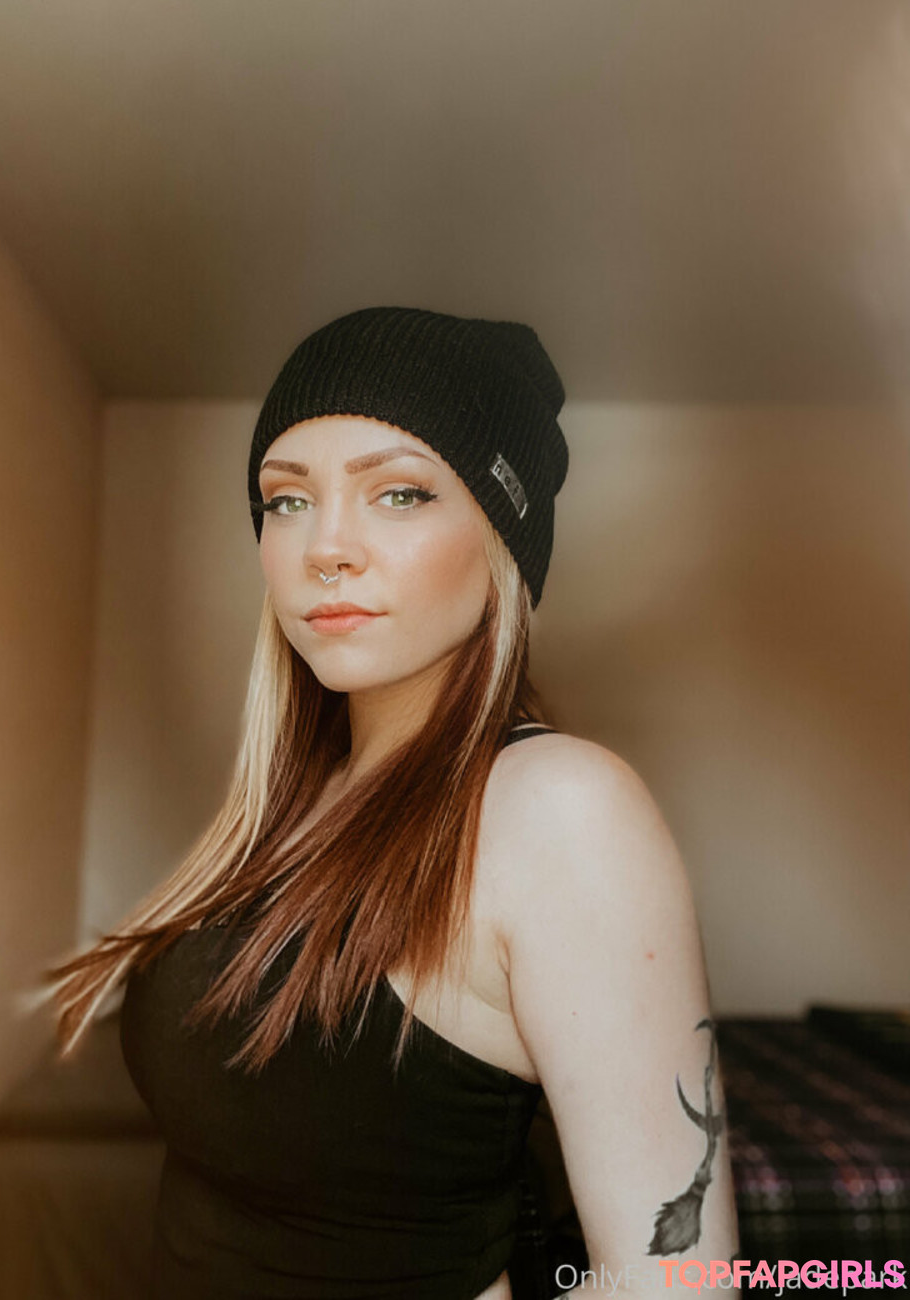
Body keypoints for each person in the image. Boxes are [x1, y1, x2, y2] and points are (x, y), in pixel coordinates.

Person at [39, 307, 740, 1299]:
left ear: (501, 538)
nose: (326, 546)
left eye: (400, 492)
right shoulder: (299, 799)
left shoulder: (557, 809)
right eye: (287, 499)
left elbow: (680, 1282)